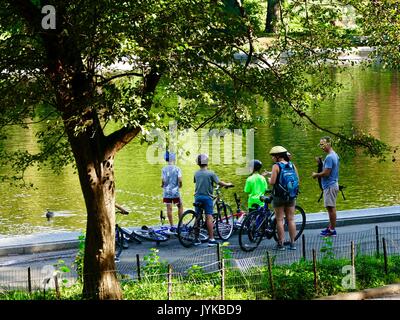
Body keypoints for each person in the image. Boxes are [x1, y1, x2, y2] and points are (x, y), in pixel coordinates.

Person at [194, 153, 233, 247]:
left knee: (198, 217)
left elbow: (197, 182)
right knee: (209, 217)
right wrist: (227, 184)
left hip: (197, 197)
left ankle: (196, 239)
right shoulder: (211, 173)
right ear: (207, 162)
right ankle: (211, 239)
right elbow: (219, 182)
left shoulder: (196, 173)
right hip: (207, 198)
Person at [268, 146, 299, 251]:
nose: (272, 158)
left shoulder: (276, 166)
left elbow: (272, 182)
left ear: (278, 156)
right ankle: (293, 243)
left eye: (273, 156)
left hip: (279, 196)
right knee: (291, 219)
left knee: (279, 219)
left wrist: (268, 179)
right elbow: (298, 180)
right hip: (291, 195)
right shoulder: (292, 165)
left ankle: (281, 244)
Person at [312, 136, 340, 237]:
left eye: (323, 144)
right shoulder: (334, 155)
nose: (321, 147)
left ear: (328, 144)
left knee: (331, 208)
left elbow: (326, 173)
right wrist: (321, 163)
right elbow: (329, 168)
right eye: (320, 145)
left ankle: (332, 230)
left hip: (330, 186)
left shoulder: (329, 157)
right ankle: (331, 227)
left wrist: (316, 175)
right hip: (332, 184)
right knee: (330, 208)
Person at [161, 151, 183, 234]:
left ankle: (172, 225)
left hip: (167, 192)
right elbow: (180, 180)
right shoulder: (177, 168)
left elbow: (163, 180)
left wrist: (162, 185)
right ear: (174, 159)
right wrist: (180, 185)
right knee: (180, 206)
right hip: (175, 192)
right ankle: (180, 224)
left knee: (169, 208)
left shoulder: (164, 169)